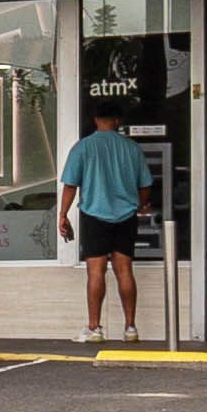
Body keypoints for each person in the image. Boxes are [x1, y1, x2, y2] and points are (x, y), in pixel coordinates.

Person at [58, 109, 154, 337]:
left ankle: (94, 327)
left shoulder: (83, 147)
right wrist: (139, 205)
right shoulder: (132, 148)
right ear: (117, 120)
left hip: (94, 215)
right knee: (124, 270)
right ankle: (130, 328)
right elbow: (145, 185)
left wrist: (63, 214)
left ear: (95, 119)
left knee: (96, 272)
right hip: (126, 216)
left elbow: (70, 185)